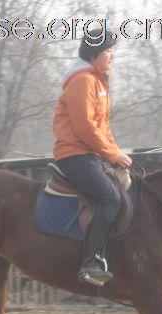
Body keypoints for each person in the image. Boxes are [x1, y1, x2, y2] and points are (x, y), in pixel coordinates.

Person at [52, 28, 133, 286]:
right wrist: (111, 155)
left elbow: (102, 127)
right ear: (96, 53)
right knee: (111, 198)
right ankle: (90, 262)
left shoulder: (97, 81)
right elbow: (85, 127)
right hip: (75, 154)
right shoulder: (83, 81)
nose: (113, 56)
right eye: (109, 51)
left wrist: (117, 154)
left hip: (90, 153)